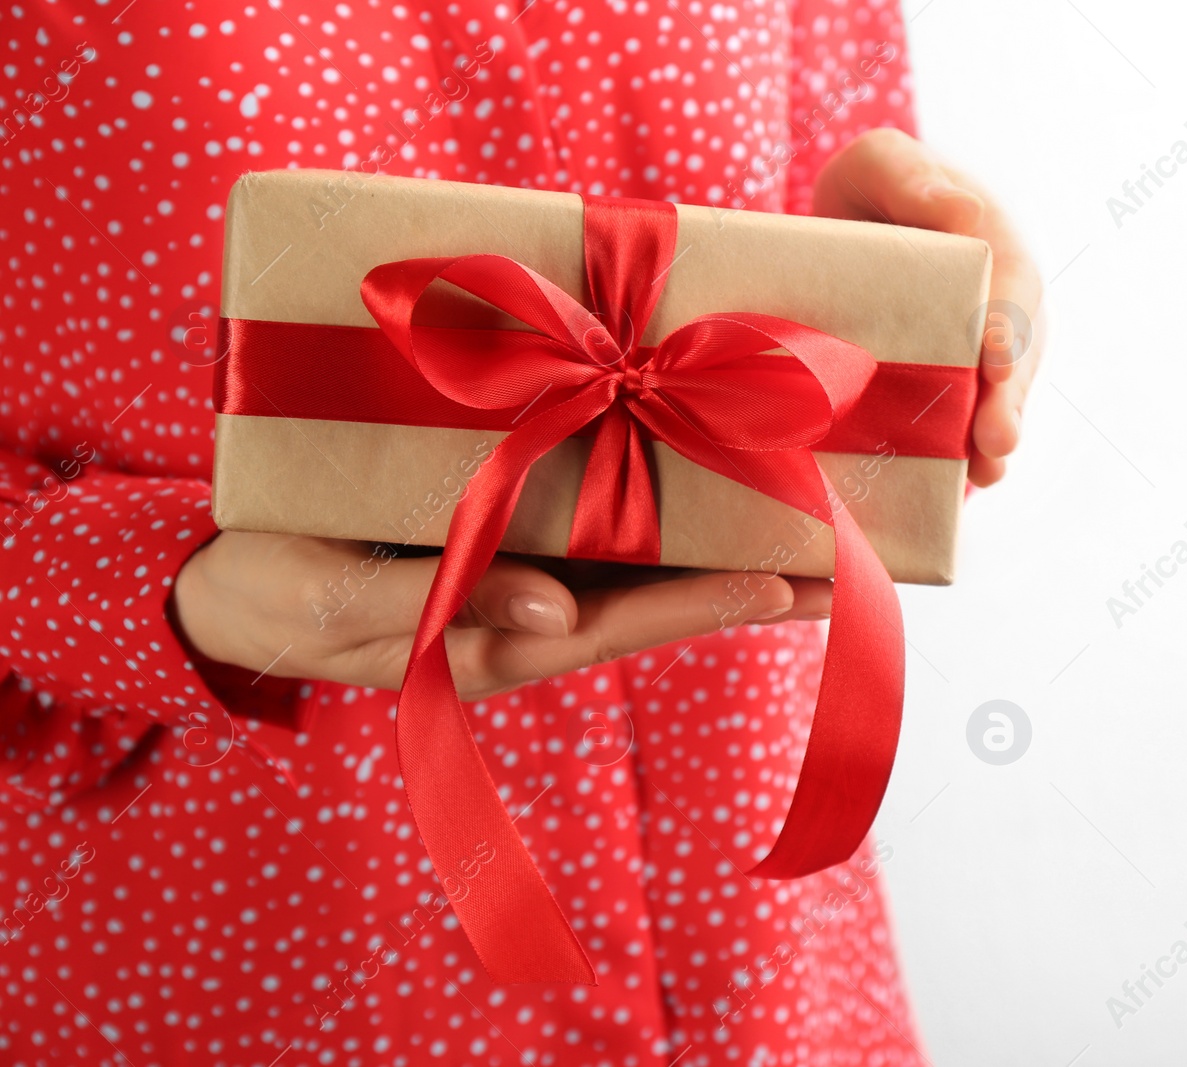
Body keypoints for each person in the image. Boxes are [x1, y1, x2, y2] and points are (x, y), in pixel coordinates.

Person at [0, 1, 1041, 1063]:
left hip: (757, 957)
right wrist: (142, 585)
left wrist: (931, 307)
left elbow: (847, 250)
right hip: (254, 957)